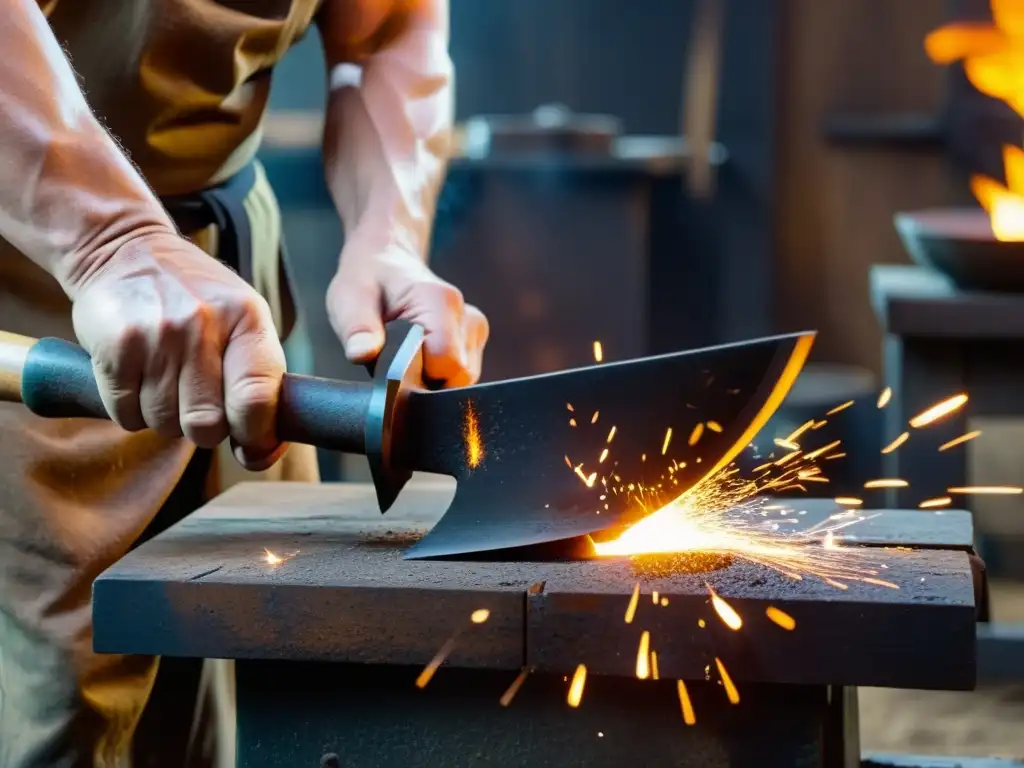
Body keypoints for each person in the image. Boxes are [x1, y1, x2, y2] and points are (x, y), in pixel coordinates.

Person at [0, 0, 488, 765]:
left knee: (278, 688)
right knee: (67, 726)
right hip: (36, 290)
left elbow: (388, 28)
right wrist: (112, 241)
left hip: (236, 297)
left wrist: (388, 236)